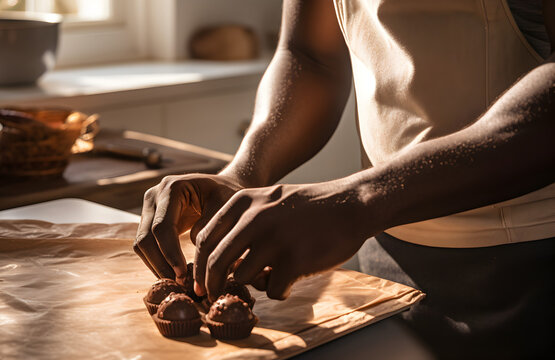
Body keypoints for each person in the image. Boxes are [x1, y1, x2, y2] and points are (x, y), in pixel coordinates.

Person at [134, 0, 554, 357]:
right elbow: (309, 54)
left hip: (531, 268)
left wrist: (361, 199)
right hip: (386, 259)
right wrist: (243, 173)